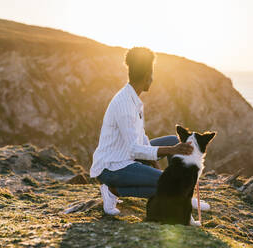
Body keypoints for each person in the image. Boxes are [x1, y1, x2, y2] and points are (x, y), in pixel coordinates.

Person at [90, 47, 209, 215]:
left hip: (128, 155)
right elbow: (134, 149)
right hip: (112, 168)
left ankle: (181, 191)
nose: (153, 79)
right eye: (152, 74)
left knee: (173, 141)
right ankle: (113, 191)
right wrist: (171, 152)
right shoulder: (124, 104)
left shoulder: (134, 99)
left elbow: (142, 138)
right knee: (168, 182)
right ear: (148, 76)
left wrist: (156, 167)